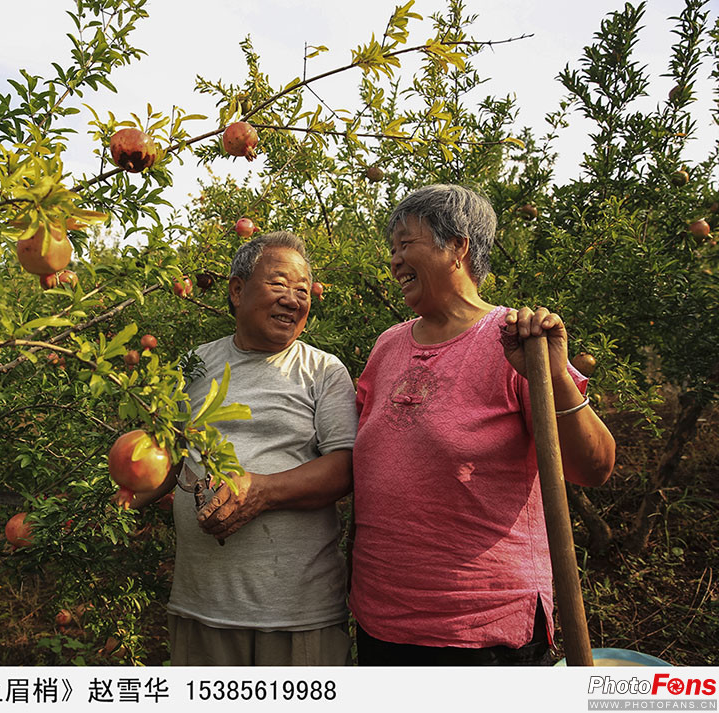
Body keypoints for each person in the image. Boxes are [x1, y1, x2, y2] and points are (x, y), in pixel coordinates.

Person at [350, 184, 616, 666]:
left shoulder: (516, 339)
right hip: (382, 621)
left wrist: (554, 374)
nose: (394, 261)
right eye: (392, 250)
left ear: (458, 246)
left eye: (406, 244)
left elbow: (593, 466)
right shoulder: (386, 346)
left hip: (482, 632)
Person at [119, 232, 358, 665]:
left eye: (303, 291)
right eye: (279, 285)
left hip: (297, 613)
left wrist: (261, 490)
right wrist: (106, 507)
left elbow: (344, 469)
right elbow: (167, 459)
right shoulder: (194, 364)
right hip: (201, 605)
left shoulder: (324, 371)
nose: (293, 299)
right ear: (236, 290)